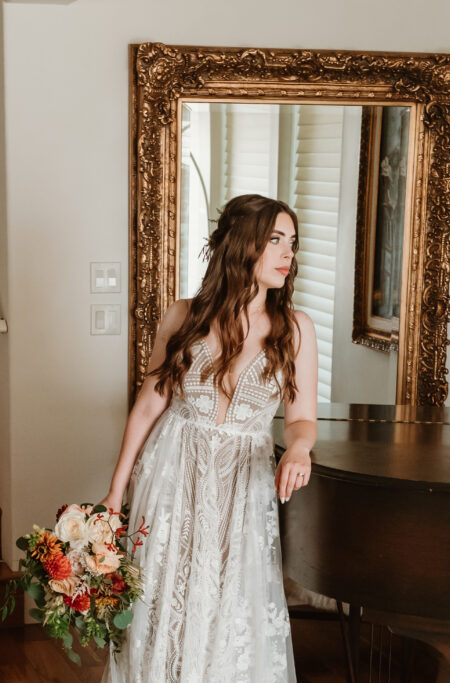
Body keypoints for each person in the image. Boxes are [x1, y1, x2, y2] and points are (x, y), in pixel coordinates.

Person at [100, 194, 318, 682]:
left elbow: (301, 418)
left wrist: (300, 448)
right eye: (276, 241)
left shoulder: (295, 329)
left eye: (293, 243)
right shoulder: (184, 316)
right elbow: (148, 405)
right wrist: (117, 490)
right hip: (173, 473)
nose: (289, 254)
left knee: (229, 599)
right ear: (243, 247)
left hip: (243, 483)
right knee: (161, 594)